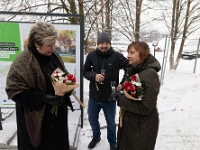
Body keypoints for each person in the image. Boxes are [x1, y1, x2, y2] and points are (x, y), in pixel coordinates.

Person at [5, 21, 74, 150]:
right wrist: (43, 98)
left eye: (54, 43)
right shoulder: (24, 60)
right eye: (49, 45)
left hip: (57, 121)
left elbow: (61, 76)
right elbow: (14, 90)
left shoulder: (54, 56)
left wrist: (67, 88)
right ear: (37, 43)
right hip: (38, 122)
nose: (53, 47)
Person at [83, 32, 129, 150]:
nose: (104, 45)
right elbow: (85, 72)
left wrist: (123, 83)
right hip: (94, 96)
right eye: (101, 43)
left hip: (110, 97)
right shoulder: (91, 56)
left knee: (111, 123)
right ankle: (96, 137)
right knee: (92, 119)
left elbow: (129, 68)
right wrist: (94, 76)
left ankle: (113, 144)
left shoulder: (117, 56)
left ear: (110, 44)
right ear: (98, 44)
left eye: (106, 43)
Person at [117, 41, 160, 150]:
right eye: (128, 52)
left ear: (142, 54)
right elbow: (134, 94)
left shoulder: (150, 74)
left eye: (132, 52)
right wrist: (123, 91)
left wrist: (121, 100)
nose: (128, 55)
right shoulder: (135, 70)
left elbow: (145, 108)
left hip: (141, 127)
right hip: (132, 122)